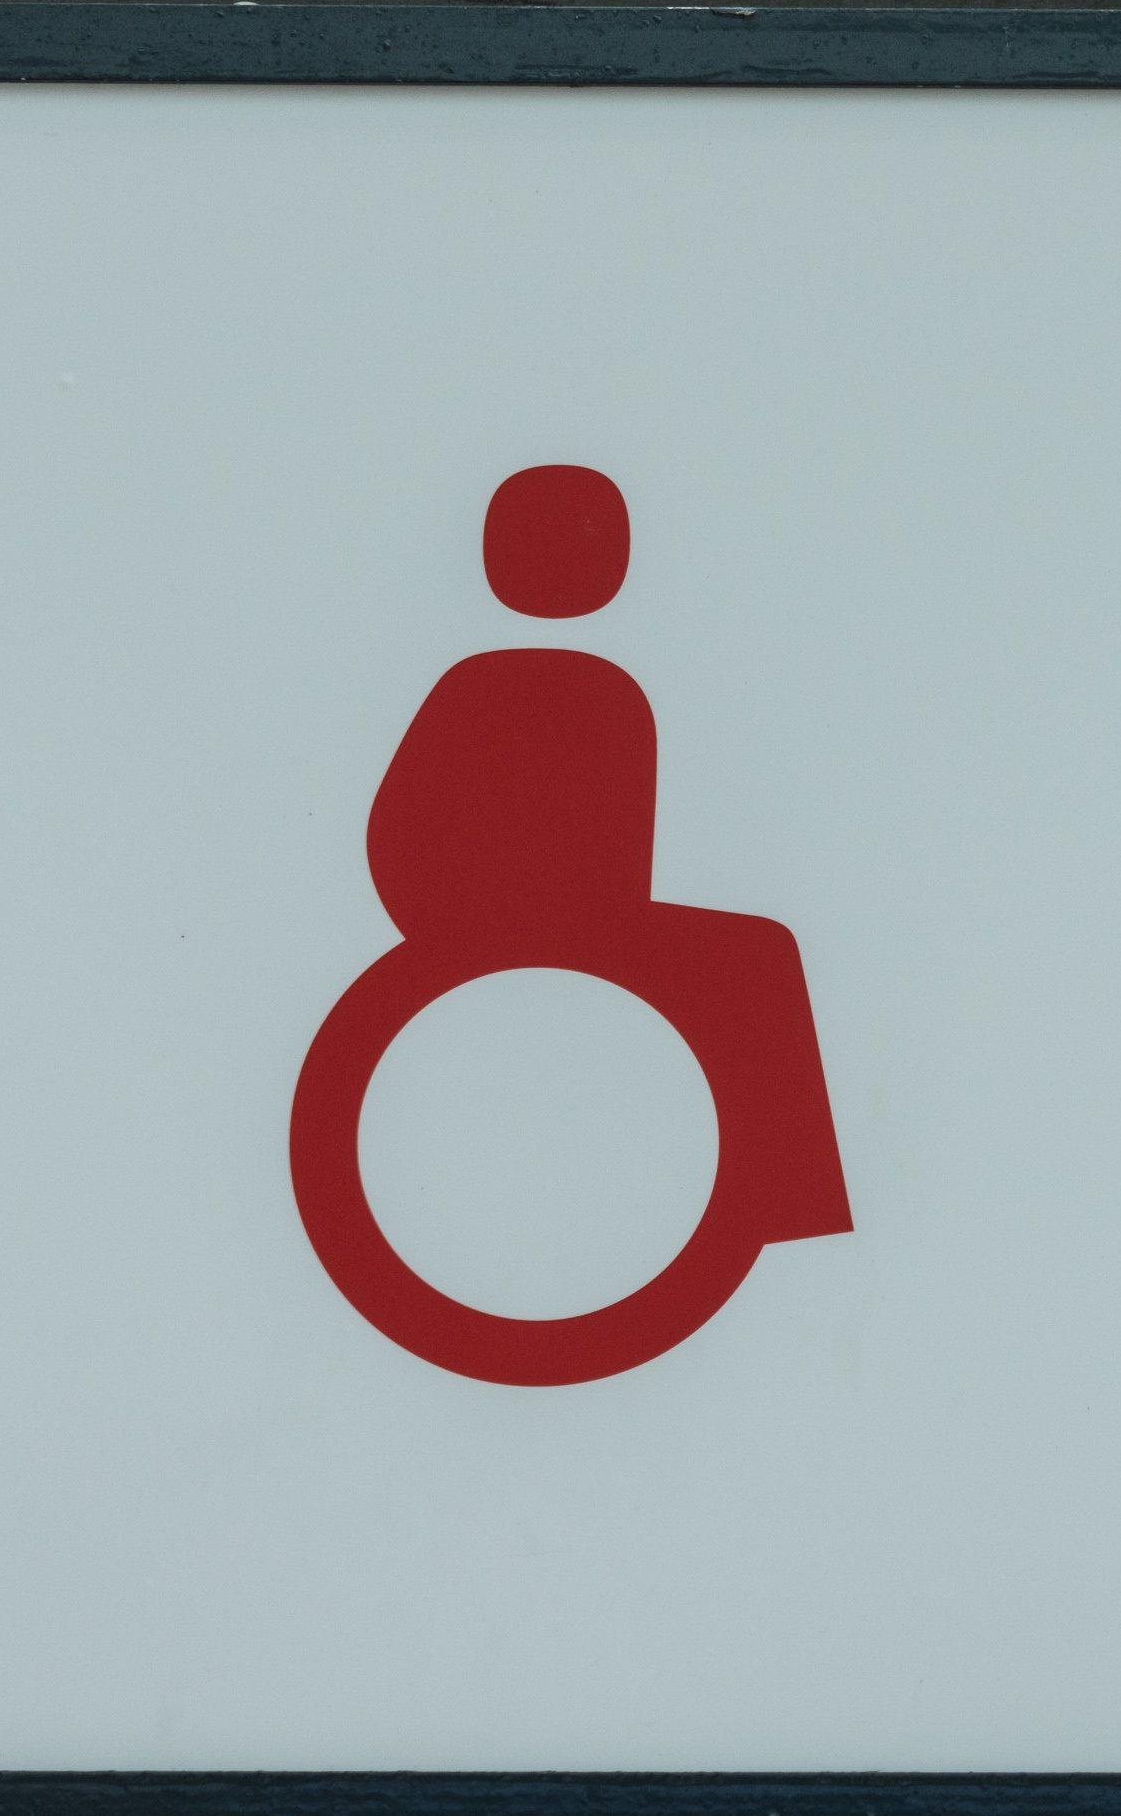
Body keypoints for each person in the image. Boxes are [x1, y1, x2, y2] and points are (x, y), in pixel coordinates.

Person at [289, 465, 847, 1383]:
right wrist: (481, 927)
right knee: (757, 957)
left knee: (755, 954)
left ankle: (777, 1215)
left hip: (554, 921)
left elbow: (399, 835)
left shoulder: (578, 688)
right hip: (532, 924)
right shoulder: (568, 690)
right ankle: (786, 1210)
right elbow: (417, 835)